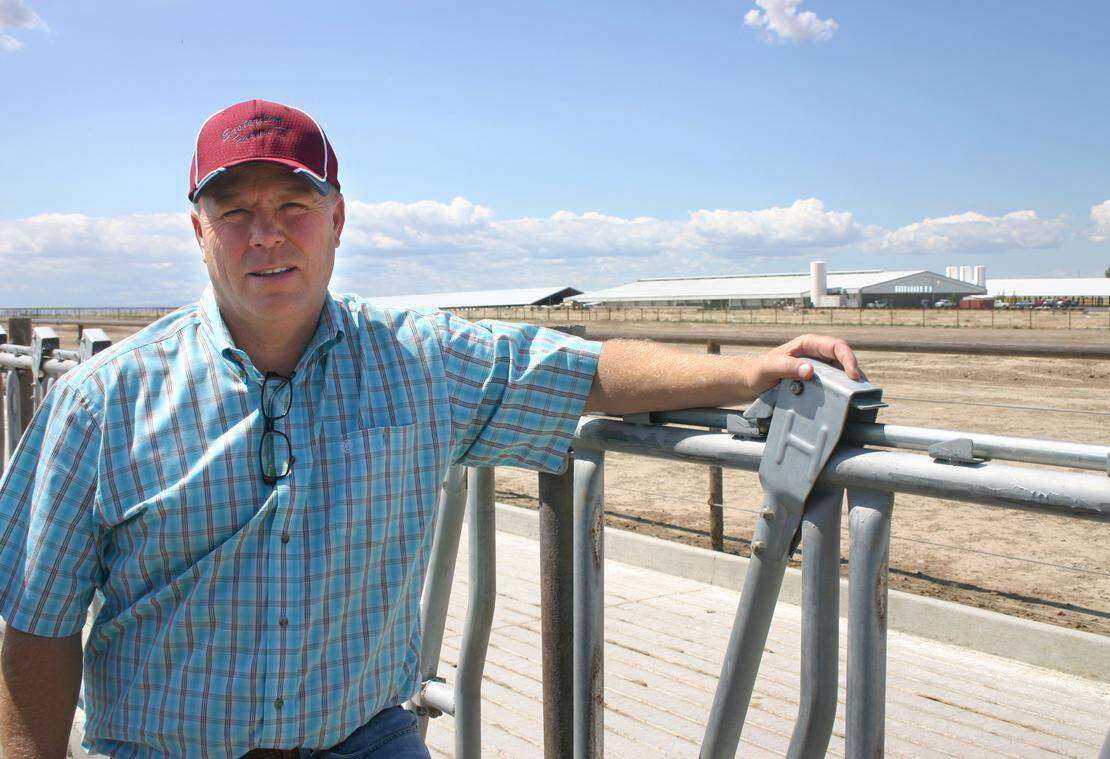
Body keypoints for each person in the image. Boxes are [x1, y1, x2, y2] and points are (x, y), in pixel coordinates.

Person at [0, 99, 860, 758]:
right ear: (199, 233)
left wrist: (748, 368)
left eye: (294, 206)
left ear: (338, 221)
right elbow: (35, 626)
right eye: (234, 212)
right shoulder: (102, 402)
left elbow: (582, 370)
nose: (266, 236)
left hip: (363, 737)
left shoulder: (419, 360)